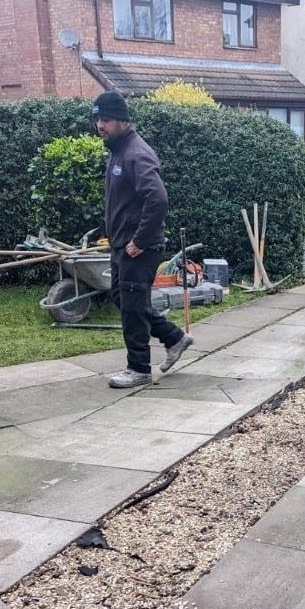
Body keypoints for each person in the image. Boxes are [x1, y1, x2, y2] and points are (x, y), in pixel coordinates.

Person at [93, 91, 192, 388]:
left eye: (106, 119)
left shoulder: (136, 152)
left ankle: (138, 369)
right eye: (97, 119)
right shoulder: (118, 151)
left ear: (122, 120)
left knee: (133, 307)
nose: (100, 125)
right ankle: (174, 338)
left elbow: (158, 199)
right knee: (124, 299)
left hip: (139, 248)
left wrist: (139, 240)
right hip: (122, 244)